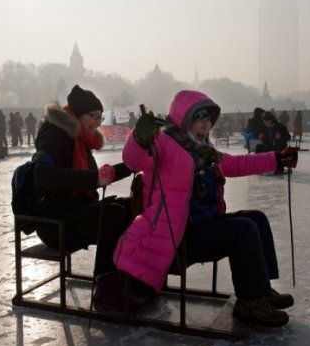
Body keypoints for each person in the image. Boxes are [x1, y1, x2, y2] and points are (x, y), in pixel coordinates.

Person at [112, 89, 299, 327]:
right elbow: (134, 161)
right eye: (200, 116)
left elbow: (235, 164)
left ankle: (261, 289)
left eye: (210, 117)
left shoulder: (206, 151)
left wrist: (276, 158)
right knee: (243, 230)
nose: (206, 122)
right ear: (185, 118)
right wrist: (139, 137)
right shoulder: (164, 143)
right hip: (179, 235)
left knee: (257, 218)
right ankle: (249, 302)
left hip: (205, 224)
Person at [27, 85, 132, 278]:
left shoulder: (83, 139)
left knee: (129, 208)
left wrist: (132, 165)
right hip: (54, 221)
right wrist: (95, 178)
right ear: (78, 114)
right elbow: (43, 174)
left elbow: (96, 177)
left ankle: (124, 275)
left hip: (78, 211)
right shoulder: (54, 133)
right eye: (93, 116)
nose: (97, 122)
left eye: (100, 117)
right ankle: (105, 281)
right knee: (112, 215)